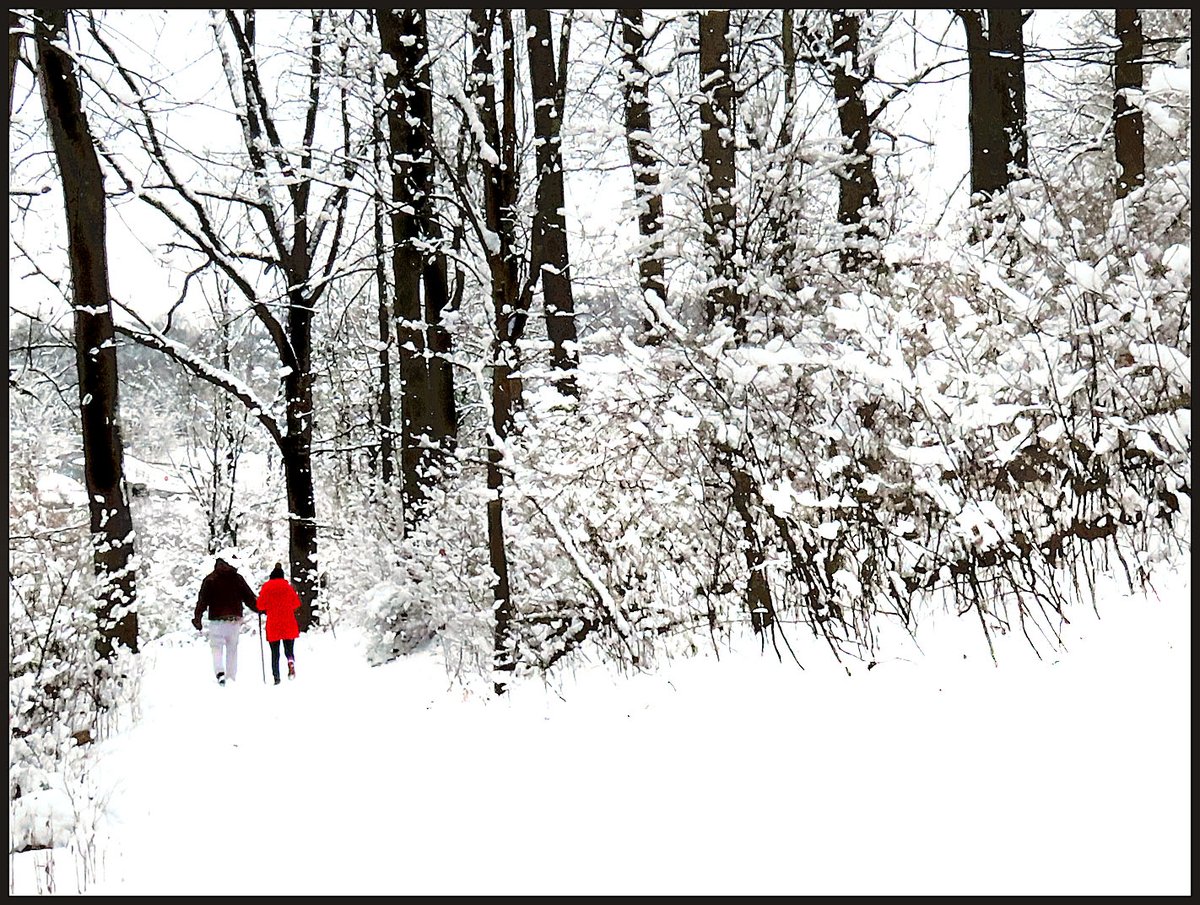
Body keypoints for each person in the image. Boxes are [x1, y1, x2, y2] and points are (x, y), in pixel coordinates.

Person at [192, 551, 259, 686]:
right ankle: (231, 677)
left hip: (217, 621)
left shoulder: (210, 580)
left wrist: (197, 618)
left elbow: (202, 601)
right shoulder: (237, 579)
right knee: (232, 649)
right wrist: (260, 609)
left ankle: (220, 673)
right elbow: (249, 598)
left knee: (216, 648)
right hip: (233, 620)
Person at [255, 562, 302, 686]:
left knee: (275, 653)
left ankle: (276, 677)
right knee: (289, 649)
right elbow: (296, 603)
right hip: (288, 622)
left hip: (273, 623)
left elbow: (259, 605)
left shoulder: (266, 587)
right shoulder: (288, 587)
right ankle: (290, 661)